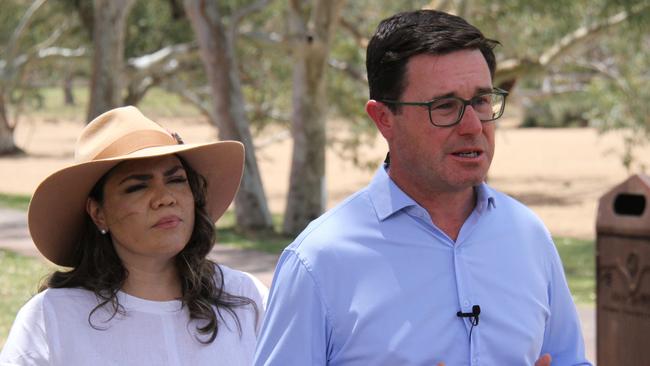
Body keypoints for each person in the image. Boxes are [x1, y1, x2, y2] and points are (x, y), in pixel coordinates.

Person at [254, 9, 590, 366]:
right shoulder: (318, 262)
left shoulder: (528, 236)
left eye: (480, 100)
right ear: (384, 119)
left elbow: (569, 358)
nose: (473, 125)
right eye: (444, 106)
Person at [0, 106, 267, 365]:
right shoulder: (52, 318)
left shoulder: (246, 297)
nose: (164, 198)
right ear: (98, 213)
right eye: (137, 187)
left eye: (176, 180)